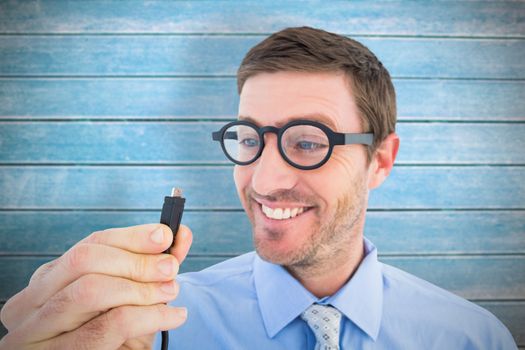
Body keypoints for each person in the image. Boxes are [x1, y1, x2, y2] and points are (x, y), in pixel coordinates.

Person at [0, 26, 517, 350]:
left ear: (380, 161)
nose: (265, 182)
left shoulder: (475, 338)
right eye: (248, 137)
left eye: (309, 142)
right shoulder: (152, 331)